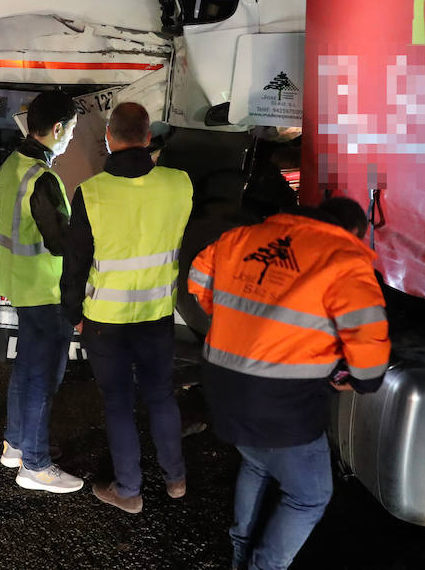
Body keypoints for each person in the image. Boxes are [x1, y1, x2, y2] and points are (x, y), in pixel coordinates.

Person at [188, 196, 390, 570]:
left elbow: (198, 277)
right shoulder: (343, 260)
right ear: (355, 233)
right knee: (309, 496)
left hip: (221, 379)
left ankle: (239, 550)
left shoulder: (243, 237)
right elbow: (367, 342)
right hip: (281, 402)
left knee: (256, 462)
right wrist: (362, 380)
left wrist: (237, 327)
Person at [60, 102, 193, 514]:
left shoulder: (92, 193)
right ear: (148, 137)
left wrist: (72, 313)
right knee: (160, 395)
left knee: (118, 403)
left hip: (106, 322)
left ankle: (129, 490)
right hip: (156, 314)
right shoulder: (179, 184)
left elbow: (76, 261)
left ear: (108, 139)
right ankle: (176, 480)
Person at [0, 90, 81, 493]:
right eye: (72, 130)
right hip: (47, 291)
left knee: (26, 370)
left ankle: (15, 444)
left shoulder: (13, 164)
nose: (71, 139)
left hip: (21, 286)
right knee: (43, 379)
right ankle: (35, 464)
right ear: (58, 128)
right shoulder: (42, 177)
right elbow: (60, 239)